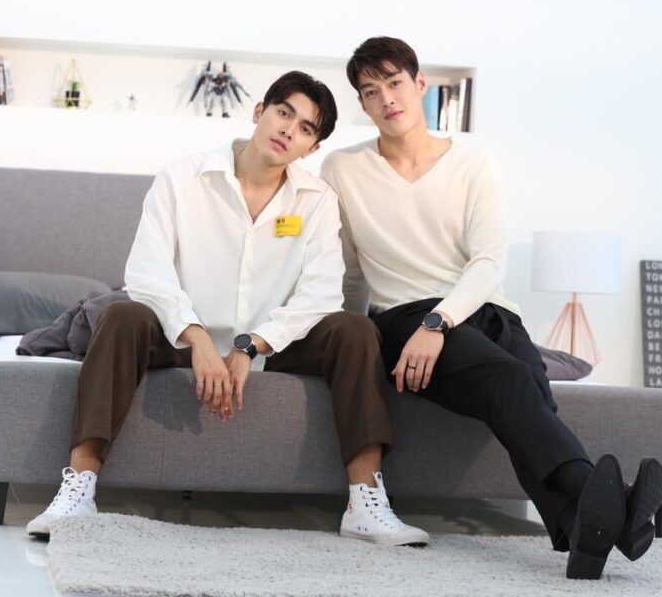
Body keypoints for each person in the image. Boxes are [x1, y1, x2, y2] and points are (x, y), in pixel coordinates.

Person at [27, 71, 428, 546]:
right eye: (284, 113)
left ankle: (365, 503)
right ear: (259, 112)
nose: (288, 130)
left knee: (355, 330)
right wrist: (196, 336)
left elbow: (321, 295)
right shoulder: (182, 177)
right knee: (120, 314)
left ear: (312, 148)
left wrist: (251, 344)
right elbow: (147, 272)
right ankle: (78, 489)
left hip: (271, 345)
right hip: (182, 337)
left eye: (305, 128)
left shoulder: (318, 201)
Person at [320, 37, 662, 579]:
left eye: (394, 82)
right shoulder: (343, 169)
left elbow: (487, 262)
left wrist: (442, 320)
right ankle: (609, 499)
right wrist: (349, 346)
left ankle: (584, 532)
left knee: (530, 395)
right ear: (362, 105)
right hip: (408, 317)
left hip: (484, 310)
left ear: (419, 85)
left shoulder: (473, 163)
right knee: (511, 381)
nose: (385, 97)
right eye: (370, 91)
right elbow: (348, 270)